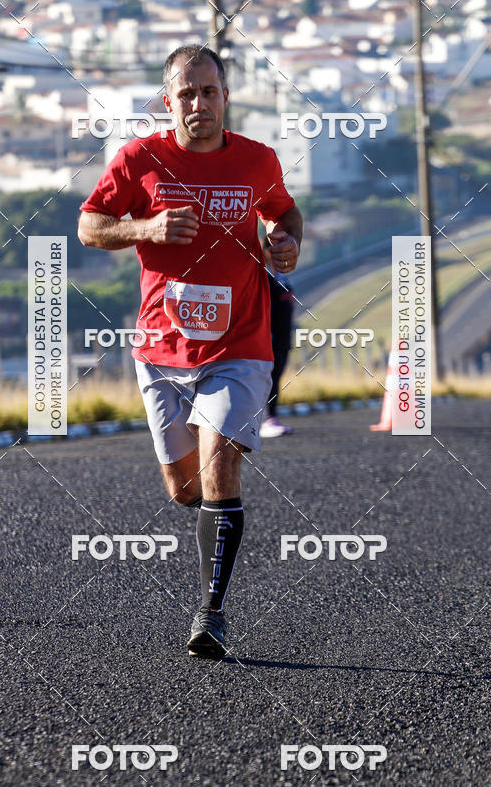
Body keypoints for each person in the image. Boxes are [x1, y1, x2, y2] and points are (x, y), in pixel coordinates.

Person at [77, 45, 303, 659]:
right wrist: (146, 228)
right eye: (186, 94)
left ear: (225, 97)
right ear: (169, 100)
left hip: (241, 344)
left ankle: (211, 612)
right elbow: (90, 225)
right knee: (185, 489)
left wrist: (285, 244)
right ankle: (213, 527)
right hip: (162, 348)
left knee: (220, 464)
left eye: (209, 92)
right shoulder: (140, 159)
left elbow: (285, 214)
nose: (199, 104)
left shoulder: (258, 160)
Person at [259, 235, 295, 438]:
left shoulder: (282, 276)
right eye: (274, 250)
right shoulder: (263, 277)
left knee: (277, 376)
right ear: (265, 252)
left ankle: (271, 418)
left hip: (283, 338)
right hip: (268, 338)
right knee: (267, 379)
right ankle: (265, 420)